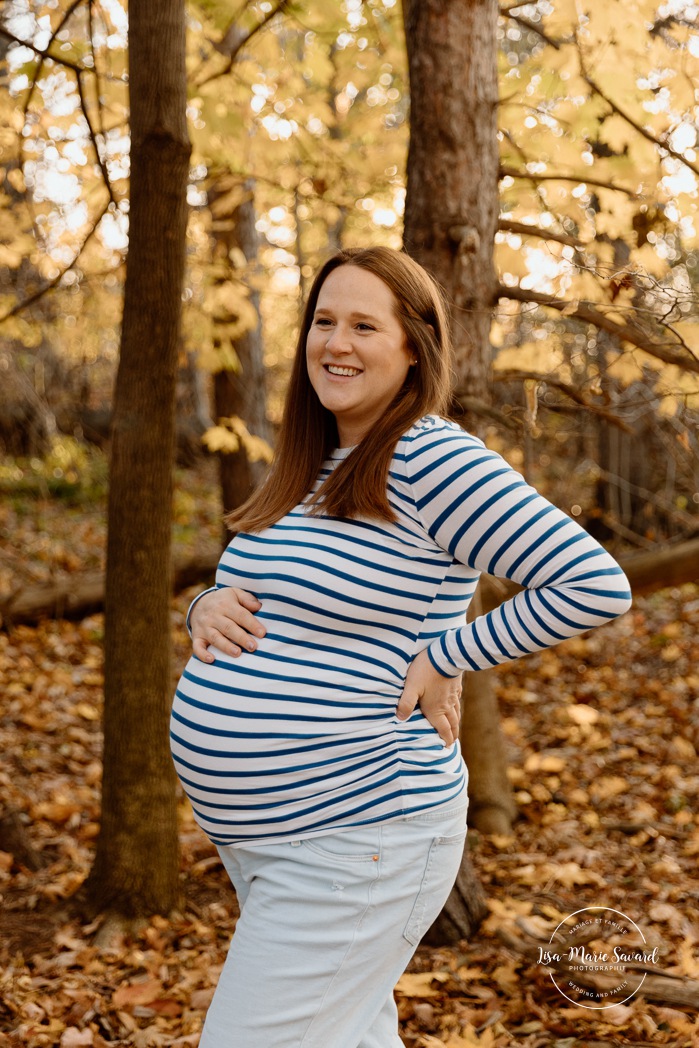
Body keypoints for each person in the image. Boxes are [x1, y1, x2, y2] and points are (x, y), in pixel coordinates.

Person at [170, 246, 632, 1048]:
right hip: (272, 841)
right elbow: (263, 590)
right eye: (323, 321)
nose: (335, 343)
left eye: (362, 325)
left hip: (357, 838)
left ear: (413, 346)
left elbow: (590, 584)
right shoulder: (315, 460)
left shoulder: (428, 455)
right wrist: (205, 606)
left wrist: (445, 655)